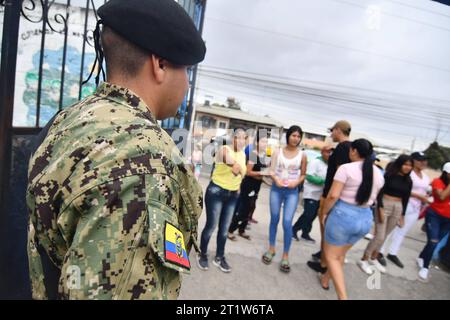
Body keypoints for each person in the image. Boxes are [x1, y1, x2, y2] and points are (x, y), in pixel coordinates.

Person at [26, 0, 206, 300]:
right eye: (186, 69)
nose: (187, 84)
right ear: (159, 65)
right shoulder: (148, 161)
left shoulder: (69, 119)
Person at [318, 139, 384, 300]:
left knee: (332, 256)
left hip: (343, 216)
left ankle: (343, 297)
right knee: (339, 254)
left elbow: (333, 195)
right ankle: (326, 279)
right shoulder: (378, 173)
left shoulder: (345, 168)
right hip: (365, 219)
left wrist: (325, 213)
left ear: (353, 151)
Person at [197, 129, 247, 273]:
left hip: (232, 196)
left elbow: (241, 173)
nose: (241, 141)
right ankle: (203, 254)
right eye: (238, 138)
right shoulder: (224, 149)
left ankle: (219, 257)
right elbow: (225, 157)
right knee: (211, 226)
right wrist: (233, 165)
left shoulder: (243, 154)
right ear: (233, 138)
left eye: (244, 138)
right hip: (216, 193)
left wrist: (237, 187)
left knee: (224, 230)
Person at [307, 120, 352, 274]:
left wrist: (331, 197)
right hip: (340, 197)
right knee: (329, 230)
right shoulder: (350, 148)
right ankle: (324, 255)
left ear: (338, 130)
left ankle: (324, 264)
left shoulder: (341, 148)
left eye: (332, 131)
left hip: (331, 195)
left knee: (326, 229)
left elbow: (341, 174)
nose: (331, 134)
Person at [261, 126, 307, 273]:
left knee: (287, 222)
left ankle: (285, 255)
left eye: (298, 136)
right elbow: (271, 170)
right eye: (293, 135)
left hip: (292, 192)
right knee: (274, 218)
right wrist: (276, 179)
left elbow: (303, 175)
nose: (296, 138)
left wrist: (296, 182)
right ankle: (271, 248)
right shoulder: (277, 152)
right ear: (288, 136)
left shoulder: (303, 155)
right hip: (277, 189)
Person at [358, 155, 413, 275]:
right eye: (405, 164)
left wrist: (402, 215)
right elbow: (379, 192)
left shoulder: (408, 180)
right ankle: (364, 259)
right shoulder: (389, 175)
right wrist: (380, 207)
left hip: (398, 207)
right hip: (385, 204)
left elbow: (406, 198)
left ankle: (374, 258)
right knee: (380, 236)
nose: (408, 167)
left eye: (410, 165)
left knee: (386, 236)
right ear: (399, 164)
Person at [379, 152, 431, 268]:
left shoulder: (425, 176)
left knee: (402, 231)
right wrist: (419, 196)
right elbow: (404, 189)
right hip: (404, 203)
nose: (424, 162)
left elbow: (425, 190)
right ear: (413, 160)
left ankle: (393, 252)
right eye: (420, 160)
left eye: (425, 160)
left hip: (416, 207)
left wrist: (424, 198)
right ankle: (380, 251)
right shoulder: (408, 173)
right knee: (390, 229)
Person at [228, 131, 269, 240]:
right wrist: (261, 174)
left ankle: (242, 230)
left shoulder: (263, 154)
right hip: (248, 185)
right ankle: (230, 230)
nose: (265, 144)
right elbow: (248, 172)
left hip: (256, 186)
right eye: (263, 141)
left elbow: (263, 170)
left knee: (250, 208)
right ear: (257, 142)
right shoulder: (254, 154)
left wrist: (266, 178)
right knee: (243, 209)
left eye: (266, 142)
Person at [417, 162, 450, 282]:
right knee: (433, 241)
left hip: (448, 220)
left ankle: (421, 257)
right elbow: (441, 197)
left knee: (434, 242)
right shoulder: (437, 182)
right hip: (435, 216)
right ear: (446, 173)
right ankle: (425, 266)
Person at [292, 145, 333, 243]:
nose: (330, 154)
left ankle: (305, 233)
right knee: (308, 214)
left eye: (331, 152)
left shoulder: (330, 164)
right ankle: (294, 229)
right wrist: (323, 181)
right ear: (322, 152)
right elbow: (309, 176)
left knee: (313, 215)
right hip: (311, 193)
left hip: (321, 195)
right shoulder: (316, 162)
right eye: (327, 152)